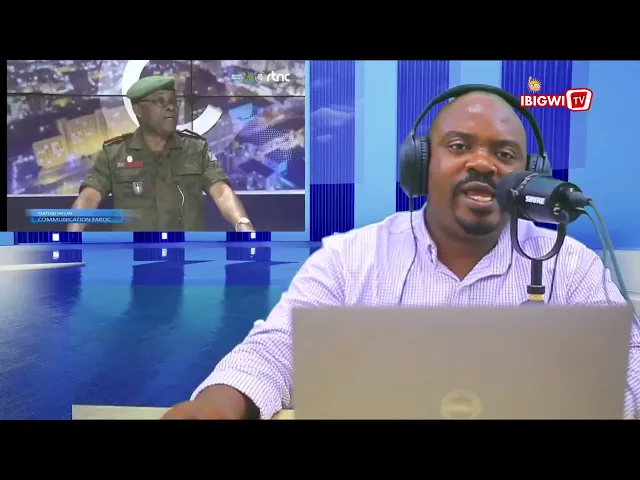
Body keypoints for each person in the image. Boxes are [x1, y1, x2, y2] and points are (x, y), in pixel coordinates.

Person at [162, 88, 640, 420]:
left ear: (527, 175)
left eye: (505, 154)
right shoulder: (350, 258)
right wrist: (217, 407)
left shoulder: (568, 265)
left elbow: (631, 367)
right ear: (421, 164)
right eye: (459, 146)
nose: (483, 162)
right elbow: (276, 350)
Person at [68, 75, 254, 232]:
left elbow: (221, 192)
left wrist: (243, 224)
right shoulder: (114, 153)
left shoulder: (196, 148)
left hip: (187, 255)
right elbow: (89, 197)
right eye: (160, 101)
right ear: (139, 110)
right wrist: (73, 236)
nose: (171, 107)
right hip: (133, 256)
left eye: (173, 101)